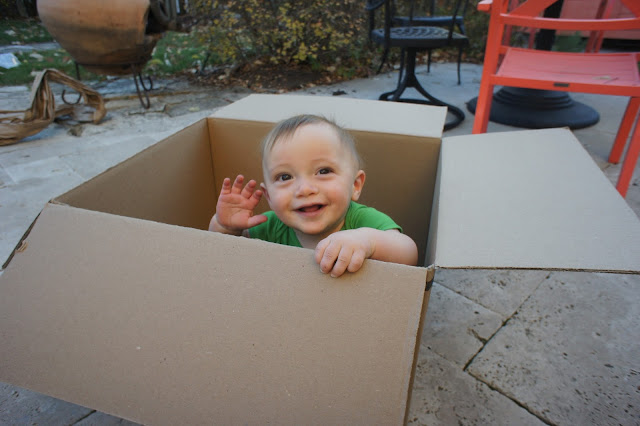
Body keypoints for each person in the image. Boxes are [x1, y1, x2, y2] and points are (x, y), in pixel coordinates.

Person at [209, 114, 418, 277]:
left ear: (355, 185)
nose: (305, 189)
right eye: (285, 177)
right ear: (269, 197)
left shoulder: (363, 221)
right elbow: (222, 257)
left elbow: (409, 255)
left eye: (323, 171)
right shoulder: (269, 227)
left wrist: (368, 242)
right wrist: (225, 227)